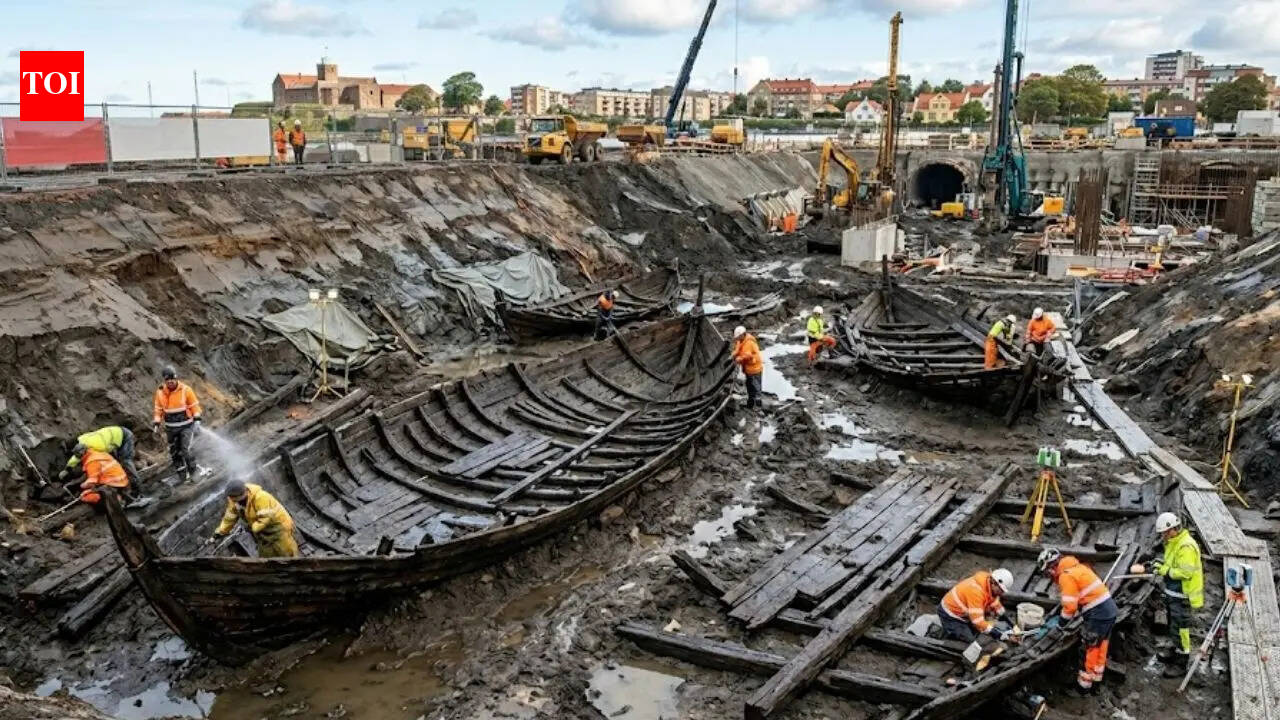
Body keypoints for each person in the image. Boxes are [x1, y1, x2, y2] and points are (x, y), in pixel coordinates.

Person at [1039, 548, 1119, 693]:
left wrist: (1060, 624)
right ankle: (1096, 680)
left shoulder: (1066, 576)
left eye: (1047, 572)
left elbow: (1070, 607)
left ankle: (1084, 686)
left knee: (1089, 647)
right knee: (1101, 645)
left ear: (1052, 566)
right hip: (1109, 610)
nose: (1049, 576)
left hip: (1098, 613)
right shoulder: (1078, 567)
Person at [1154, 512, 1203, 678]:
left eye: (1165, 533)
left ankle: (1182, 662)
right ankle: (1176, 650)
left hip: (1183, 595)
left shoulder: (1186, 546)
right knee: (1173, 626)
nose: (1163, 536)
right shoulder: (1174, 543)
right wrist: (1160, 564)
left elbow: (1185, 572)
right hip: (1173, 593)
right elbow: (1171, 562)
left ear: (1173, 529)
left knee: (1181, 628)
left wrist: (1164, 570)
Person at [212, 480, 298, 558]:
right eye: (230, 497)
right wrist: (220, 532)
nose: (231, 499)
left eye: (232, 497)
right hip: (262, 532)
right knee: (267, 556)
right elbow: (229, 518)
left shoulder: (260, 497)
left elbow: (265, 518)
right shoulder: (234, 501)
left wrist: (254, 528)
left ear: (242, 494)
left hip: (278, 527)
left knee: (287, 553)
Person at [938, 568, 1016, 642]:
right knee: (969, 642)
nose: (1001, 593)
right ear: (994, 582)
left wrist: (1010, 623)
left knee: (982, 626)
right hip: (950, 615)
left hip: (964, 612)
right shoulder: (976, 592)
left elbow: (995, 603)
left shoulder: (988, 584)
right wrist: (1000, 635)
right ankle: (949, 635)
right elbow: (978, 622)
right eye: (1001, 590)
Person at [154, 366, 202, 482]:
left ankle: (194, 472)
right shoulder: (160, 392)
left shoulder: (186, 390)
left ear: (176, 378)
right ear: (164, 381)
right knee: (175, 453)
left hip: (186, 426)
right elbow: (158, 409)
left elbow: (194, 406)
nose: (170, 381)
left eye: (172, 379)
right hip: (171, 429)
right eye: (167, 380)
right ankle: (182, 475)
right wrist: (156, 423)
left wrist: (197, 420)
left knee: (186, 450)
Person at [59, 425, 139, 486]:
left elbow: (104, 460)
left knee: (125, 460)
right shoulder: (82, 440)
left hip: (124, 436)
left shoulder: (99, 447)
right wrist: (67, 469)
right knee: (119, 461)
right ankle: (123, 477)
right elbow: (76, 458)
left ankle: (136, 484)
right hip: (114, 434)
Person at [732, 325, 764, 410]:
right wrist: (733, 355)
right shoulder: (741, 341)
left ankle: (758, 406)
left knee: (756, 387)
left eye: (739, 337)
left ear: (743, 334)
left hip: (755, 369)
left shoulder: (749, 342)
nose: (738, 339)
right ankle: (750, 404)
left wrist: (739, 358)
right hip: (748, 369)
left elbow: (748, 355)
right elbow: (737, 350)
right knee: (749, 386)